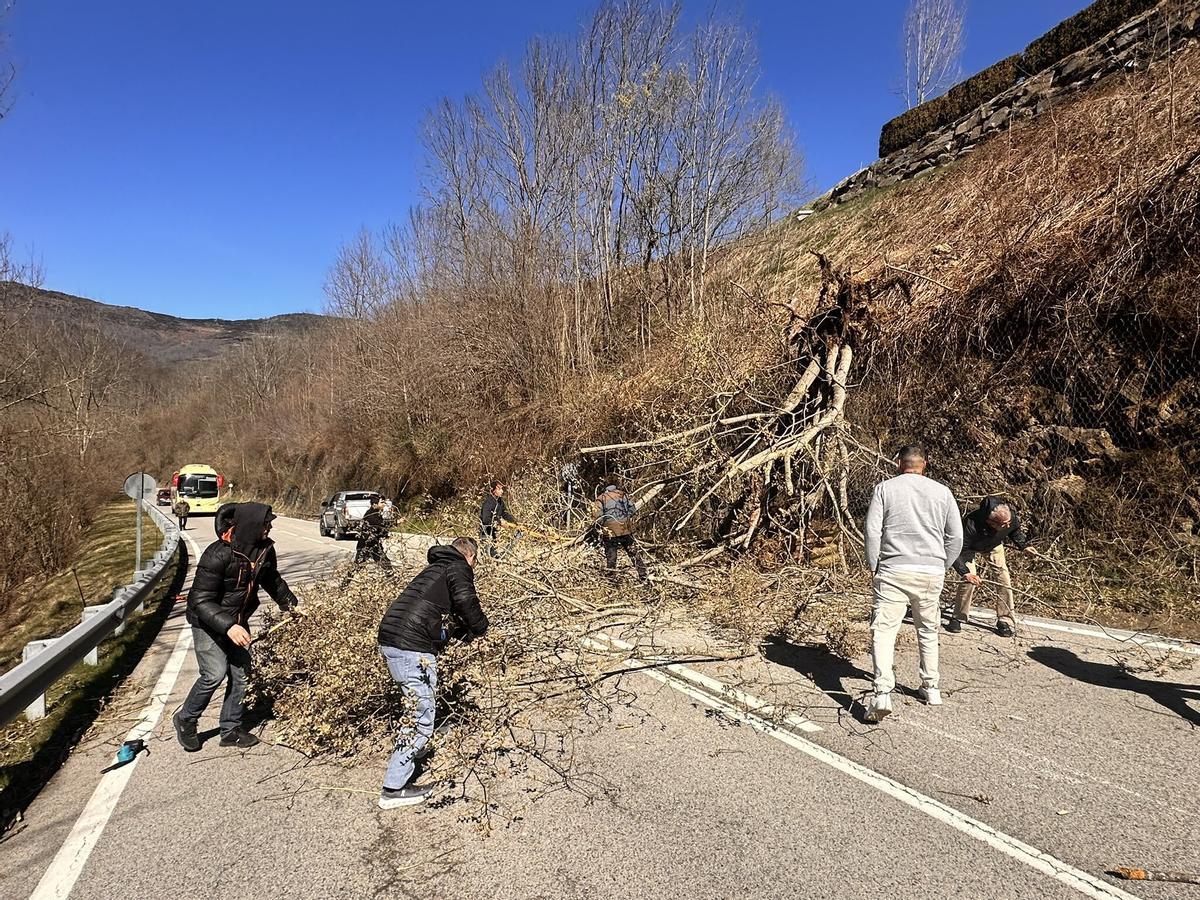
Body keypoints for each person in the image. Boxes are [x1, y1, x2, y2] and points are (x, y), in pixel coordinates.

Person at [173, 502, 298, 751]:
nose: (269, 527)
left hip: (237, 620)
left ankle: (230, 729)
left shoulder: (264, 550)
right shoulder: (217, 554)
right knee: (214, 673)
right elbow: (200, 600)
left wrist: (291, 606)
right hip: (207, 621)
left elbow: (272, 580)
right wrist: (229, 626)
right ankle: (186, 719)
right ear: (251, 525)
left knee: (241, 674)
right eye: (266, 523)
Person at [377, 537, 488, 809]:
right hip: (410, 646)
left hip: (392, 638)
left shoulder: (437, 568)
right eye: (475, 562)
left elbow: (433, 616)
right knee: (420, 717)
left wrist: (461, 633)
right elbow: (465, 600)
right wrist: (481, 628)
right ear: (471, 556)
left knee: (418, 705)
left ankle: (417, 747)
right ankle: (394, 789)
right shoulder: (459, 566)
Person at [863, 446, 963, 723]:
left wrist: (873, 564)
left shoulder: (885, 488)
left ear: (898, 463)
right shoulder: (942, 492)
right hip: (931, 570)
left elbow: (872, 529)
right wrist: (941, 565)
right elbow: (956, 536)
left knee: (884, 630)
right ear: (925, 464)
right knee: (928, 629)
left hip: (894, 568)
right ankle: (931, 687)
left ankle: (883, 691)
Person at [946, 497, 1040, 637]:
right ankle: (958, 617)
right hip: (968, 548)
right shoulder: (970, 525)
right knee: (969, 580)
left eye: (1009, 522)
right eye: (1004, 524)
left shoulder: (1010, 518)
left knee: (1003, 578)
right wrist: (965, 572)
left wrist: (1024, 546)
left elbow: (1014, 531)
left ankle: (1005, 619)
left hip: (993, 545)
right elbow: (956, 551)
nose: (1008, 526)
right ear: (991, 522)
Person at [596, 483, 649, 584]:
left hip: (610, 531)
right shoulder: (622, 495)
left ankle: (611, 578)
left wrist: (602, 526)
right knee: (633, 552)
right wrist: (625, 518)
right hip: (625, 529)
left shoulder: (601, 498)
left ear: (605, 490)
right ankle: (643, 575)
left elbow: (598, 517)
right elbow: (632, 509)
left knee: (611, 555)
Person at [354, 496, 393, 572]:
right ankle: (347, 579)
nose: (384, 504)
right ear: (374, 504)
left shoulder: (377, 513)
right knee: (357, 566)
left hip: (374, 544)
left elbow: (378, 529)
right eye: (381, 502)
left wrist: (385, 535)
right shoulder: (370, 514)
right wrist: (396, 522)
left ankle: (392, 578)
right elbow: (380, 524)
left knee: (386, 563)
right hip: (366, 545)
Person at [479, 480, 517, 557]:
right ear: (493, 490)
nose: (502, 491)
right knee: (488, 555)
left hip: (494, 533)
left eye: (502, 489)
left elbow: (504, 513)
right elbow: (485, 519)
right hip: (486, 533)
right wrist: (499, 522)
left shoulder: (500, 501)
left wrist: (514, 522)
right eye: (499, 489)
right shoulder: (488, 502)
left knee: (494, 554)